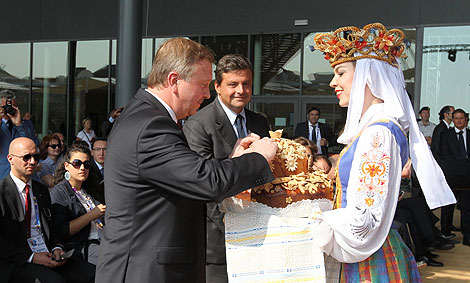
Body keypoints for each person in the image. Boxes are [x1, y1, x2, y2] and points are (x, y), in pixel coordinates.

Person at [96, 38, 277, 283]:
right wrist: (259, 157)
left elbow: (188, 173)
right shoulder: (151, 125)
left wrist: (234, 159)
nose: (206, 93)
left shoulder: (144, 116)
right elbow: (205, 181)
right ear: (174, 81)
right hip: (146, 270)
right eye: (202, 84)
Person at [312, 22, 455, 281]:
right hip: (369, 251)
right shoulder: (375, 127)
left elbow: (365, 221)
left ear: (369, 75)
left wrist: (310, 224)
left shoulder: (378, 132)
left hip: (366, 260)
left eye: (341, 72)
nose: (334, 81)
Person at [183, 54, 270, 283]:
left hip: (260, 233)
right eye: (233, 84)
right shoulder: (198, 125)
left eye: (246, 83)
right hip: (218, 241)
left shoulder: (259, 122)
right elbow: (202, 183)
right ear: (217, 87)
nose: (241, 90)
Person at [0, 137, 95, 283]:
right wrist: (31, 257)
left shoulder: (41, 190)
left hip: (47, 253)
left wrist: (57, 247)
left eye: (36, 157)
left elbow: (50, 229)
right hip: (18, 260)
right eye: (26, 157)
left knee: (93, 273)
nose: (32, 162)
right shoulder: (2, 193)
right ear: (10, 159)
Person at [50, 142, 105, 265]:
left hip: (103, 239)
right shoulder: (59, 192)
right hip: (81, 246)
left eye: (86, 164)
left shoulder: (90, 189)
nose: (82, 168)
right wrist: (91, 215)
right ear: (67, 166)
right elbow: (62, 231)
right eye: (77, 163)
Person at [436, 108, 470, 245]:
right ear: (453, 120)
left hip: (468, 177)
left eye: (462, 118)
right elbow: (444, 156)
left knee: (467, 207)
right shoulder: (446, 135)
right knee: (448, 205)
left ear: (466, 119)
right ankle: (445, 233)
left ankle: (467, 236)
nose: (459, 121)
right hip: (452, 176)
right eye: (456, 118)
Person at [0, 90, 39, 179]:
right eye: (4, 107)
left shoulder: (26, 125)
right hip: (2, 176)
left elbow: (32, 146)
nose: (8, 110)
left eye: (12, 107)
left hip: (25, 176)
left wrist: (19, 125)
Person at [86, 138, 106, 204]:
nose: (101, 153)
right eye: (97, 149)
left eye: (105, 149)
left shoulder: (114, 168)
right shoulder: (87, 168)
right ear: (92, 152)